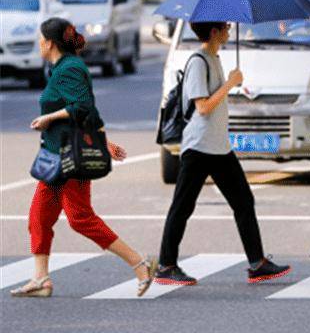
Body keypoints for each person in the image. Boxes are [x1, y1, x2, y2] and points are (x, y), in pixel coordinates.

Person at [12, 18, 156, 298]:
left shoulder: (70, 68)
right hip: (56, 158)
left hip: (70, 159)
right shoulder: (59, 68)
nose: (38, 43)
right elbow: (91, 113)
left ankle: (139, 263)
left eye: (41, 39)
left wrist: (48, 118)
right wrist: (105, 142)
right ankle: (41, 279)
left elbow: (83, 107)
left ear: (50, 42)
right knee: (39, 217)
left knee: (80, 218)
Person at [155, 21, 290, 285]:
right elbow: (202, 107)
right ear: (214, 32)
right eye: (226, 27)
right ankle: (166, 265)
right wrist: (230, 83)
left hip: (219, 147)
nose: (230, 31)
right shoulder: (199, 61)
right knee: (182, 207)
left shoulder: (214, 58)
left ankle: (257, 263)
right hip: (199, 147)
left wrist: (232, 83)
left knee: (244, 202)